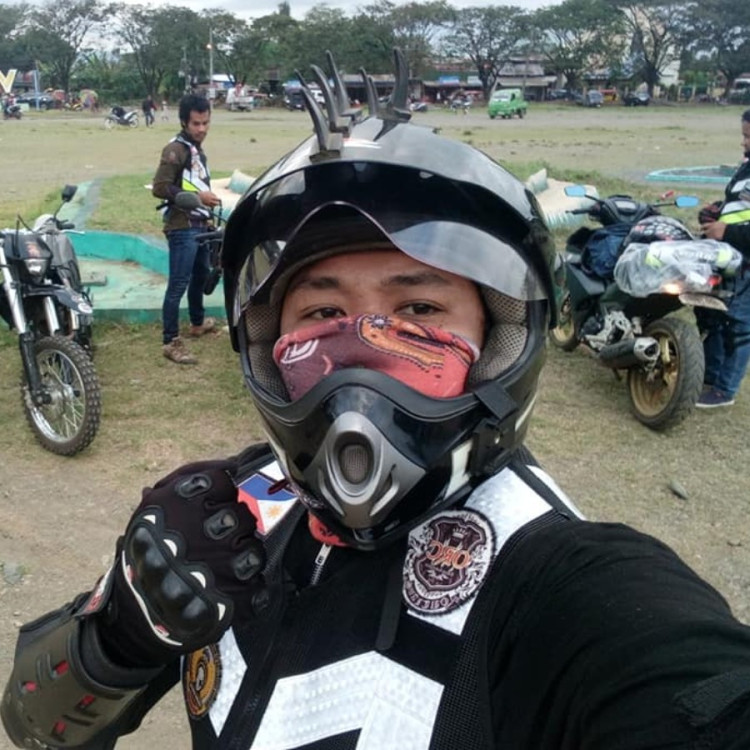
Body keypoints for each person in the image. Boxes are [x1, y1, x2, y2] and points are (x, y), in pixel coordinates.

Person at [3, 52, 750, 750]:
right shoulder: (230, 514)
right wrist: (119, 637)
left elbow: (684, 686)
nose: (362, 345)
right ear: (265, 345)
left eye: (419, 309)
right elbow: (35, 727)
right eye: (323, 312)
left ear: (500, 339)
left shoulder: (569, 585)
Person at [152, 93, 220, 365]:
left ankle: (197, 322)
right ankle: (170, 341)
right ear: (184, 122)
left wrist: (206, 213)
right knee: (178, 284)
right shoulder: (176, 149)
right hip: (182, 227)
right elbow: (160, 187)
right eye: (196, 124)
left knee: (200, 276)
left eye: (205, 123)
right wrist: (197, 198)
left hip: (200, 224)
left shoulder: (195, 150)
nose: (201, 129)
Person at [697, 108, 750, 408]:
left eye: (748, 137)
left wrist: (726, 231)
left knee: (738, 327)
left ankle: (724, 390)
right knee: (714, 316)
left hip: (746, 264)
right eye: (744, 135)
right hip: (730, 258)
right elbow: (739, 206)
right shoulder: (747, 167)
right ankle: (710, 372)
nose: (744, 142)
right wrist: (717, 210)